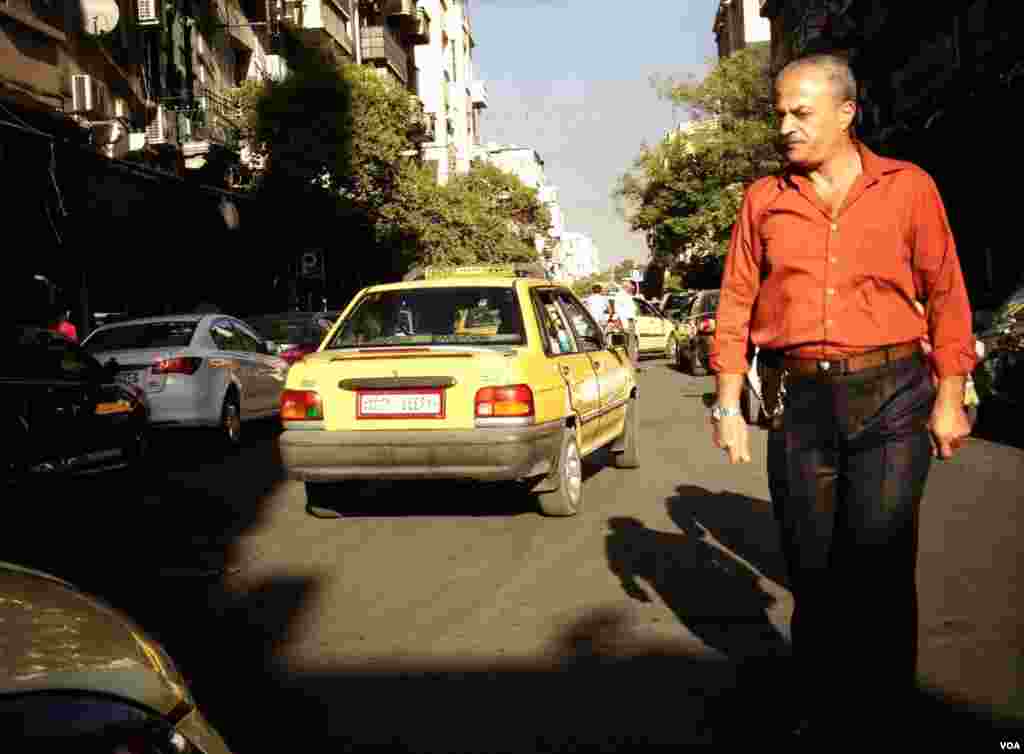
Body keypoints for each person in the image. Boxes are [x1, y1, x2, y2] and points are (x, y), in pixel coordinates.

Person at [708, 54, 975, 739]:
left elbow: (946, 294)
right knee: (815, 570)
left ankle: (886, 712)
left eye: (801, 112)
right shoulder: (764, 200)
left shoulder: (908, 188)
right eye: (780, 114)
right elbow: (736, 301)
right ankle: (824, 709)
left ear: (845, 112)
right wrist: (729, 401)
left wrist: (950, 395)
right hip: (801, 403)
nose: (786, 127)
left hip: (895, 396)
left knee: (880, 565)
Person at [613, 281, 640, 367]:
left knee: (631, 344)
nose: (633, 288)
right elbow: (619, 311)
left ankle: (632, 363)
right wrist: (625, 325)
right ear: (626, 287)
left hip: (630, 322)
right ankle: (629, 364)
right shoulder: (620, 295)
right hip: (626, 322)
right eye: (631, 287)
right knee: (626, 344)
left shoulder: (627, 296)